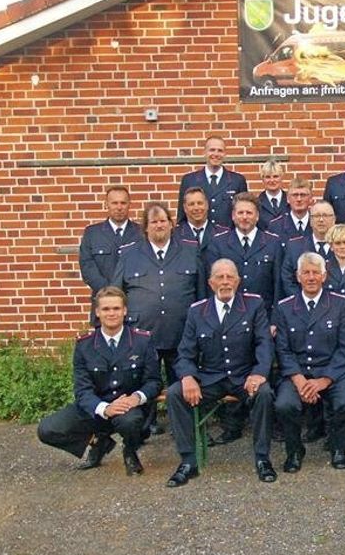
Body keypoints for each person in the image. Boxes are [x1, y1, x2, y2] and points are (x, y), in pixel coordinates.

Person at [165, 259, 277, 486]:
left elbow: (264, 344)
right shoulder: (197, 311)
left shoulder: (254, 305)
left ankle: (263, 458)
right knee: (175, 393)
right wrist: (187, 376)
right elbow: (185, 351)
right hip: (210, 377)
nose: (225, 282)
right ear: (210, 282)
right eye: (219, 277)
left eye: (230, 277)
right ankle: (188, 461)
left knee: (264, 394)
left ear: (238, 281)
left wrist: (259, 373)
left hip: (244, 376)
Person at [37, 286, 161, 476]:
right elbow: (82, 390)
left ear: (125, 310)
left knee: (131, 422)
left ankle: (130, 451)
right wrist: (105, 408)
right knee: (47, 429)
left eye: (116, 308)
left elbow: (153, 381)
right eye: (106, 309)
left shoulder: (142, 341)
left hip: (128, 408)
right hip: (96, 407)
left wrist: (137, 397)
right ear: (97, 312)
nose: (111, 313)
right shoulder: (85, 345)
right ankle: (98, 441)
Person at [273, 252, 345, 471]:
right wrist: (299, 380)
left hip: (332, 372)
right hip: (298, 373)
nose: (311, 277)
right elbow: (282, 349)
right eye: (306, 273)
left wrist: (325, 380)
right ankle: (294, 451)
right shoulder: (284, 307)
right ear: (298, 277)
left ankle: (338, 447)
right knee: (284, 404)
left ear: (324, 276)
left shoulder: (340, 304)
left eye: (315, 273)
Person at [111, 202, 205, 387]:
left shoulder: (190, 251)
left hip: (180, 333)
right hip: (142, 334)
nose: (159, 225)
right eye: (153, 222)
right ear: (145, 227)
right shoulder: (129, 254)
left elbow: (201, 293)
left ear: (171, 224)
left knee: (180, 390)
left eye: (163, 221)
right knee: (141, 390)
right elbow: (116, 294)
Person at [204, 192, 282, 319]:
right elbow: (211, 284)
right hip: (229, 316)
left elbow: (278, 285)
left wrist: (275, 320)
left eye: (249, 213)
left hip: (263, 316)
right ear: (233, 216)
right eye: (240, 213)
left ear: (257, 216)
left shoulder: (273, 243)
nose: (244, 217)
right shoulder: (218, 243)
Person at [79, 186, 142, 324]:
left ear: (129, 204)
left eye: (123, 203)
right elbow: (87, 268)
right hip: (104, 306)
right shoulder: (92, 233)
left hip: (135, 306)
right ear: (106, 204)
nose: (119, 207)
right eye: (114, 203)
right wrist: (110, 294)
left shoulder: (142, 233)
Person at [177, 135, 248, 228]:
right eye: (212, 150)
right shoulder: (189, 180)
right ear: (204, 152)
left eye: (220, 150)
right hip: (199, 238)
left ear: (225, 154)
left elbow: (244, 213)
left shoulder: (237, 181)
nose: (216, 154)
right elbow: (182, 217)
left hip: (228, 239)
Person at [174, 186, 226, 253]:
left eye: (200, 203)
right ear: (184, 208)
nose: (196, 208)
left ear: (207, 205)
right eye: (191, 204)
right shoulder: (175, 235)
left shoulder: (222, 233)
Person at [267, 177, 313, 242]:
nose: (299, 199)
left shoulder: (317, 223)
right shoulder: (276, 225)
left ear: (310, 199)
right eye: (295, 195)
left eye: (303, 195)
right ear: (288, 199)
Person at [255, 159, 289, 229]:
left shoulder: (291, 201)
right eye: (268, 177)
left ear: (281, 178)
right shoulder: (256, 204)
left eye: (275, 176)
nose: (272, 180)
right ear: (262, 179)